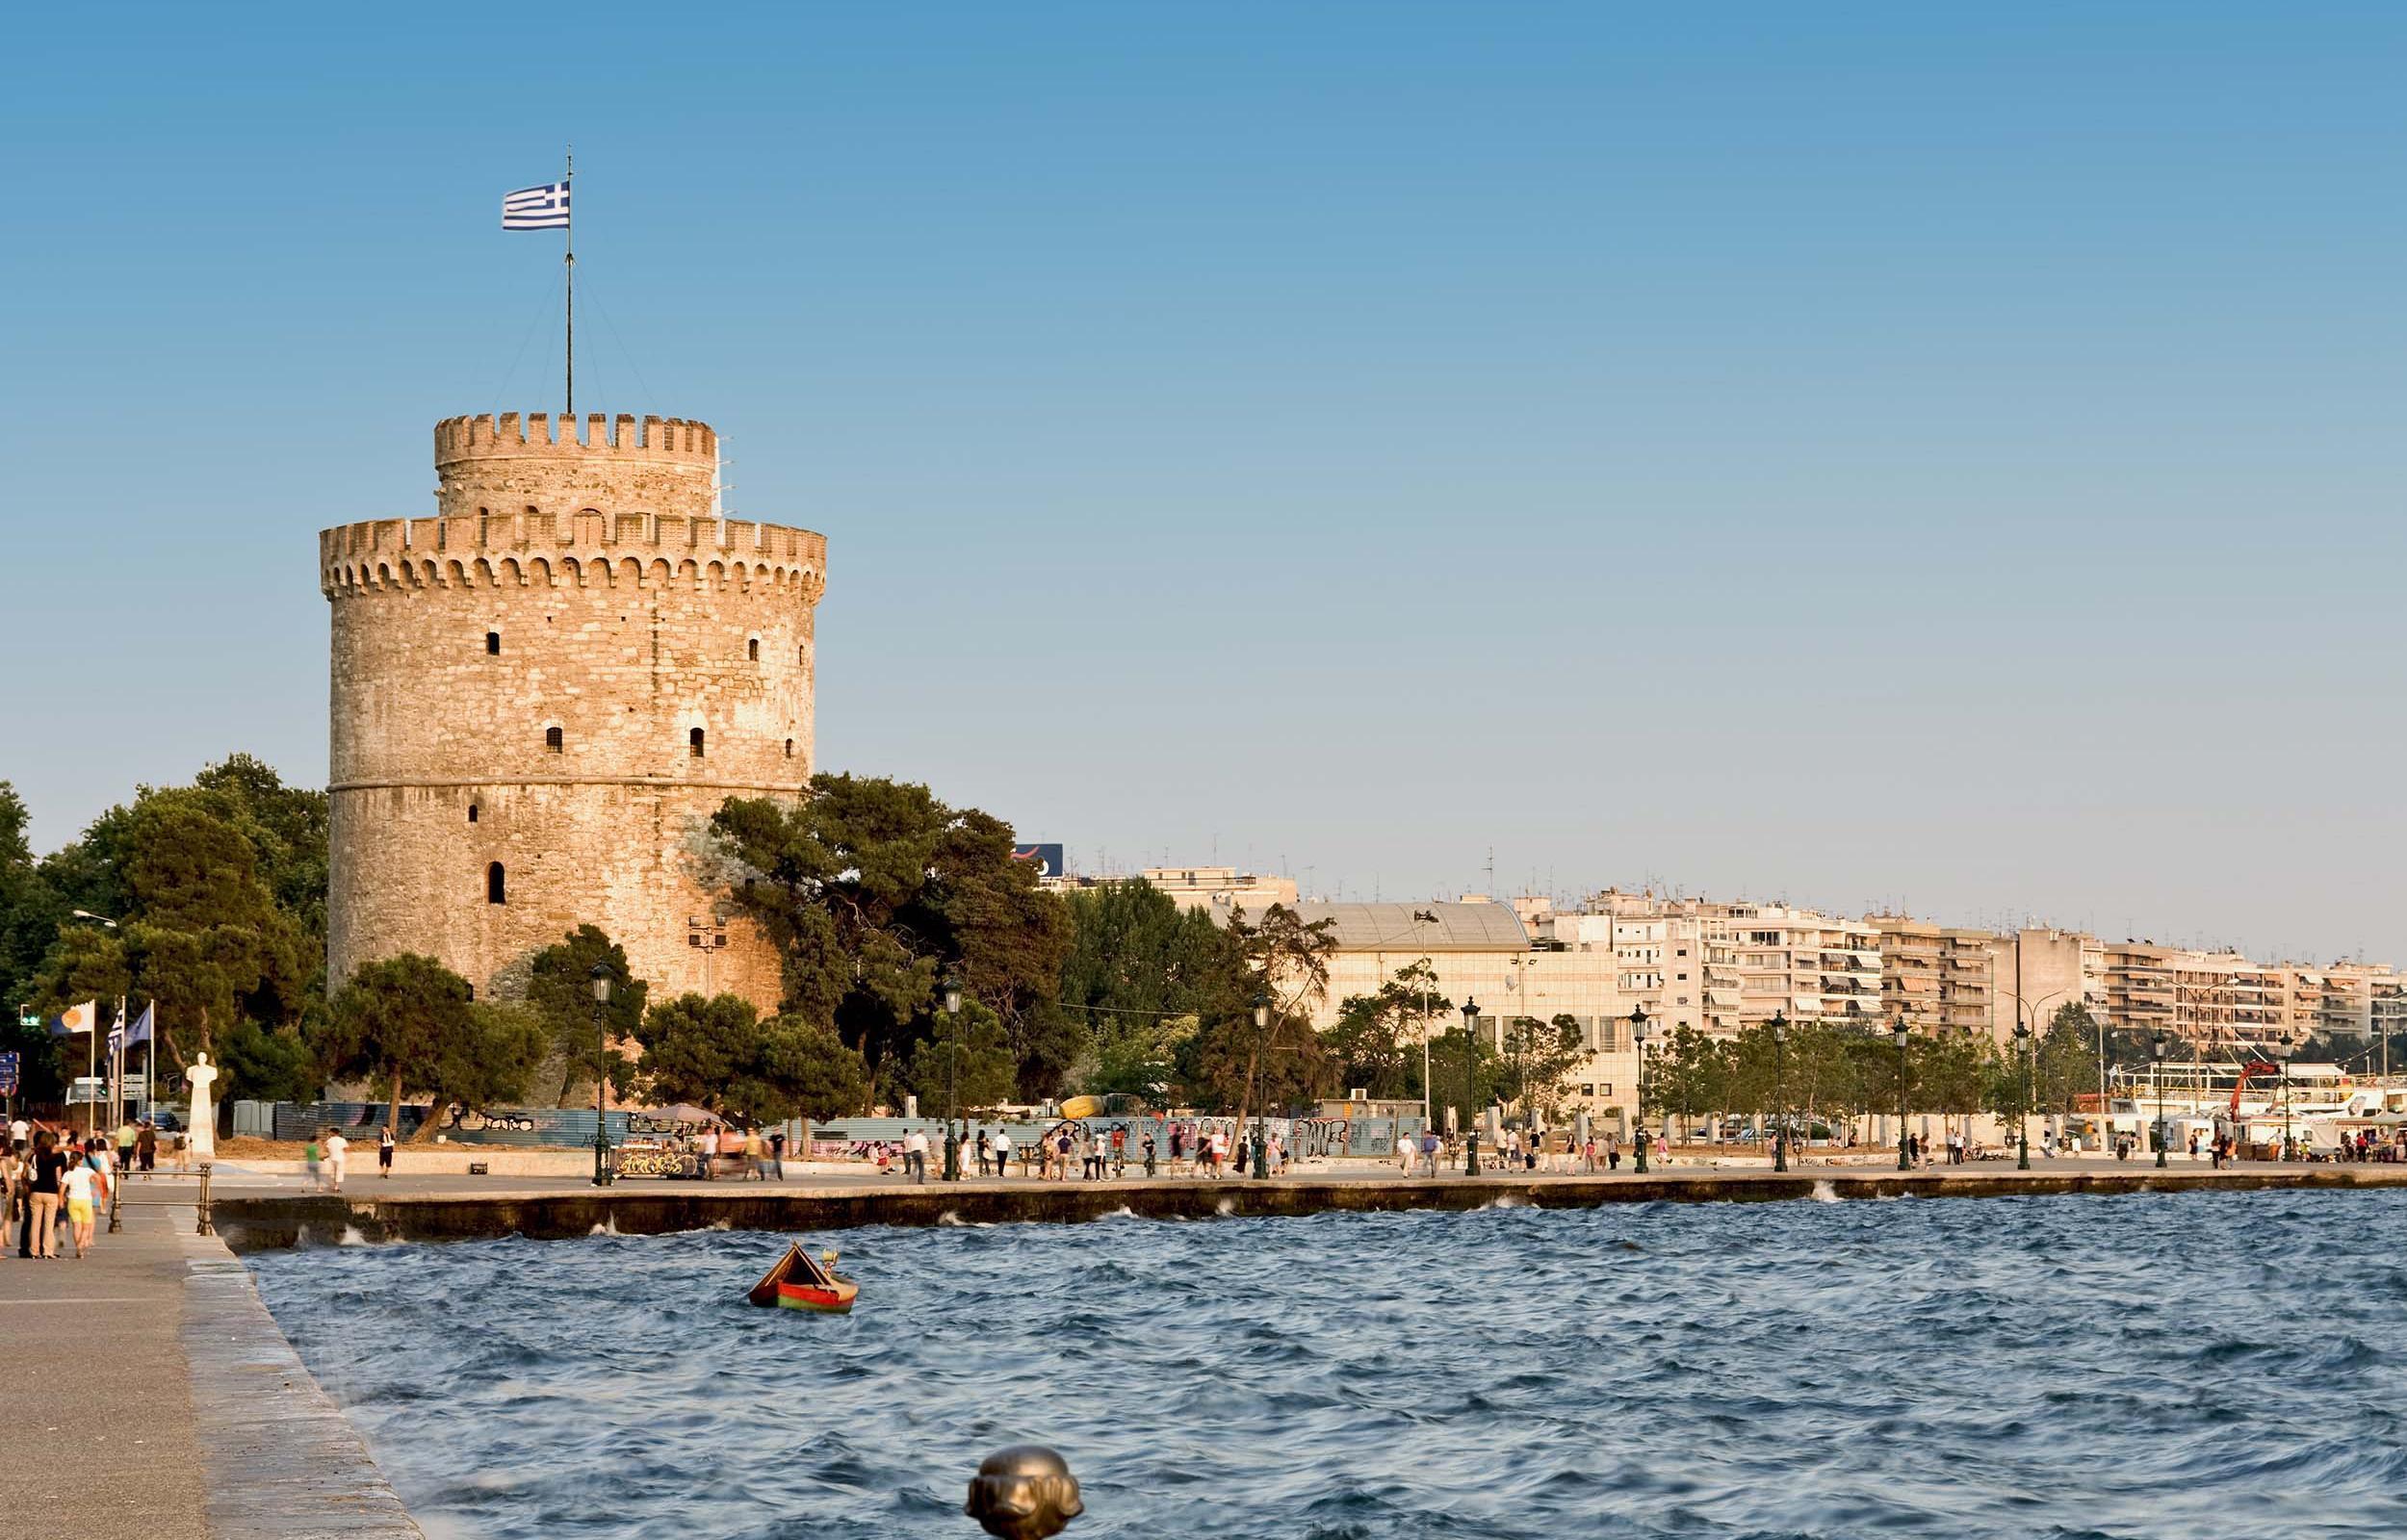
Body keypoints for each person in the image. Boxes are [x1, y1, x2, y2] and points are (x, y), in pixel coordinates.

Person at [61, 1156, 99, 1259]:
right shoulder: (87, 1171)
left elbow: (62, 1189)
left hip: (73, 1200)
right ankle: (80, 1246)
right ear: (79, 1161)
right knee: (86, 1227)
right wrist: (97, 1188)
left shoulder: (68, 1173)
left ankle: (79, 1249)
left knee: (76, 1226)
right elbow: (98, 1177)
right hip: (85, 1200)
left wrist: (60, 1200)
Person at [324, 1129, 349, 1193]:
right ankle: (336, 1187)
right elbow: (346, 1148)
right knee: (339, 1172)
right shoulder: (342, 1140)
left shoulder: (329, 1140)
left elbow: (326, 1148)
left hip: (332, 1158)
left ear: (332, 1132)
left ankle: (334, 1185)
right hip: (340, 1158)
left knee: (333, 1173)